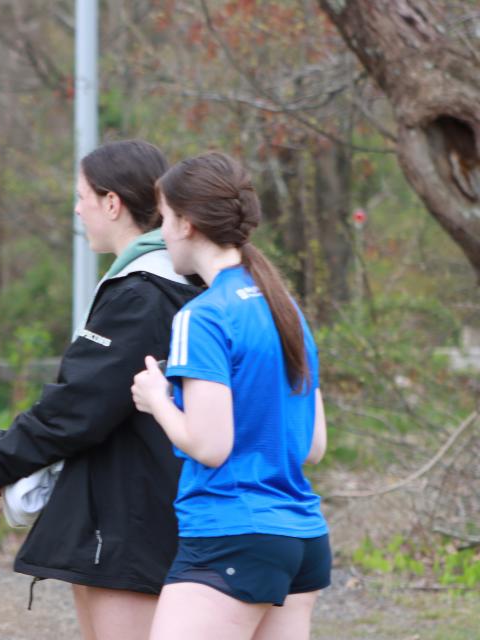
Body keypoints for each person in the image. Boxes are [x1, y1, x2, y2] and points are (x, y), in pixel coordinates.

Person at [0, 140, 200, 640]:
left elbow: (77, 405)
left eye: (81, 196)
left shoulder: (141, 293)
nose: (77, 209)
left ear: (112, 203)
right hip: (148, 507)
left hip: (133, 519)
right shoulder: (172, 282)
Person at [131, 151, 330, 640]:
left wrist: (158, 399)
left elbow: (210, 446)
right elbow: (312, 445)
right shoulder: (285, 306)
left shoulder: (202, 316)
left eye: (166, 219)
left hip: (230, 536)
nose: (162, 232)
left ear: (189, 223)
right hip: (301, 538)